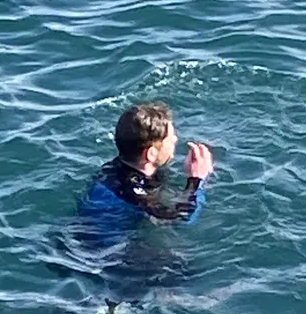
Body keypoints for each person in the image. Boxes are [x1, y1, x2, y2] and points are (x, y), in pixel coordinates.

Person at [77, 101, 213, 247]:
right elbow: (180, 219)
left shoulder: (117, 168)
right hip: (101, 257)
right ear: (151, 154)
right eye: (170, 138)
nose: (175, 139)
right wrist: (197, 179)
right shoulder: (131, 189)